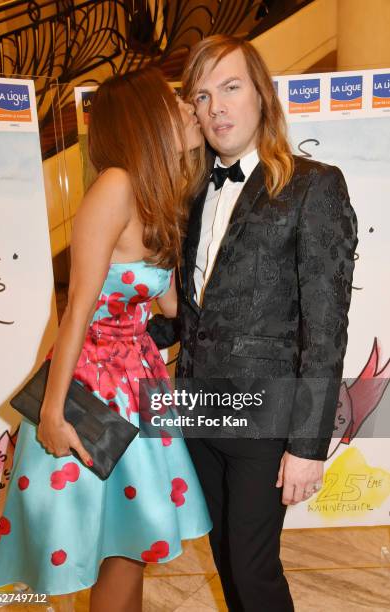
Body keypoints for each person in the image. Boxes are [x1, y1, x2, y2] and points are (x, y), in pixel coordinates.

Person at [0, 67, 212, 611]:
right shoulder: (115, 185)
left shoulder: (160, 196)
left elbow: (170, 306)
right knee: (109, 544)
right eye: (175, 101)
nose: (188, 109)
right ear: (145, 118)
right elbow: (76, 314)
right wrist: (52, 414)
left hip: (138, 385)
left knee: (129, 546)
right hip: (91, 394)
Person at [148, 35, 358, 611]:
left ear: (261, 95)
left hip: (265, 420)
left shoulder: (314, 186)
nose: (216, 106)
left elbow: (325, 326)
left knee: (254, 569)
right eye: (203, 94)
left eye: (231, 87)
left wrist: (309, 446)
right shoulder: (190, 194)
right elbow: (192, 315)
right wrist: (121, 338)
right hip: (195, 411)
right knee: (224, 561)